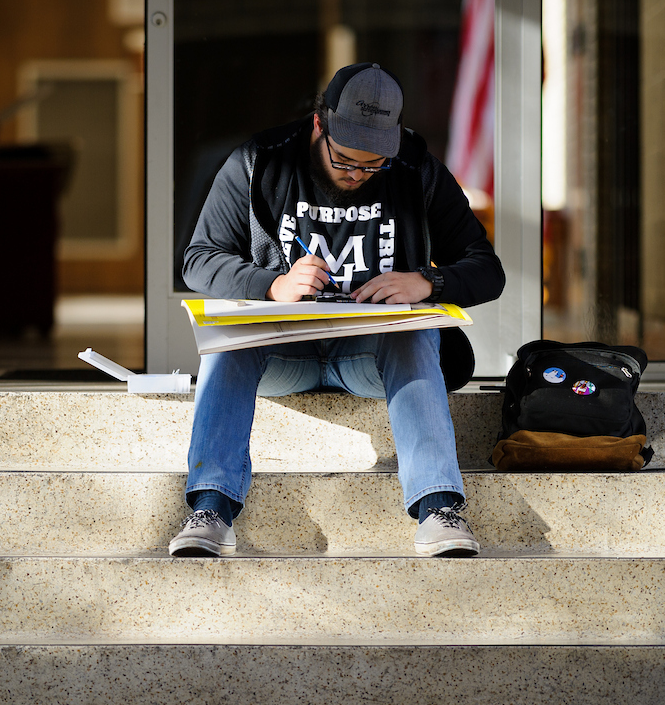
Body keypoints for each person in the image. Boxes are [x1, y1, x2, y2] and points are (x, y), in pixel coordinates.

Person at [170, 63, 505, 559]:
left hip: (369, 362)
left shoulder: (416, 171)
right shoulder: (259, 161)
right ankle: (211, 510)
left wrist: (427, 281)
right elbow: (198, 260)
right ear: (319, 125)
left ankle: (439, 509)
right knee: (228, 337)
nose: (356, 174)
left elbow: (486, 269)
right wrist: (273, 285)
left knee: (416, 330)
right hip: (281, 357)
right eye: (345, 159)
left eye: (372, 166)